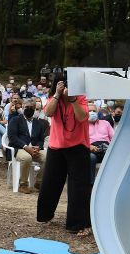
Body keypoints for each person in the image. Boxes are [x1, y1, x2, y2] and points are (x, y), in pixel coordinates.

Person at [38, 79, 91, 234]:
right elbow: (48, 112)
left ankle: (78, 223)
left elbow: (82, 117)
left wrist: (73, 99)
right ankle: (45, 215)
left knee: (79, 187)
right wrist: (57, 94)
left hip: (78, 146)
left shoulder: (81, 97)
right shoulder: (54, 98)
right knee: (50, 183)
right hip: (56, 146)